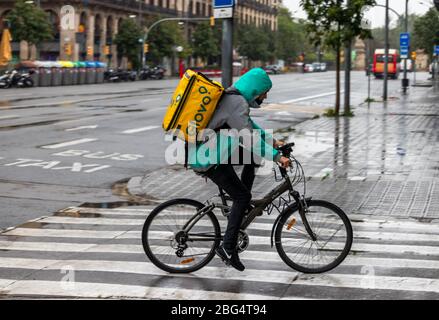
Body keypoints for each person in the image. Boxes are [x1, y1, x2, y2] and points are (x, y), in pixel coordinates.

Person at [188, 68, 291, 271]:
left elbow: (252, 128)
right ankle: (227, 247)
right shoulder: (236, 102)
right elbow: (249, 138)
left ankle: (241, 206)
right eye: (264, 91)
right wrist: (277, 157)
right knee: (242, 196)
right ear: (255, 89)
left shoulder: (235, 99)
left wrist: (274, 143)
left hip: (215, 153)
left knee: (253, 159)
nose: (265, 96)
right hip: (209, 159)